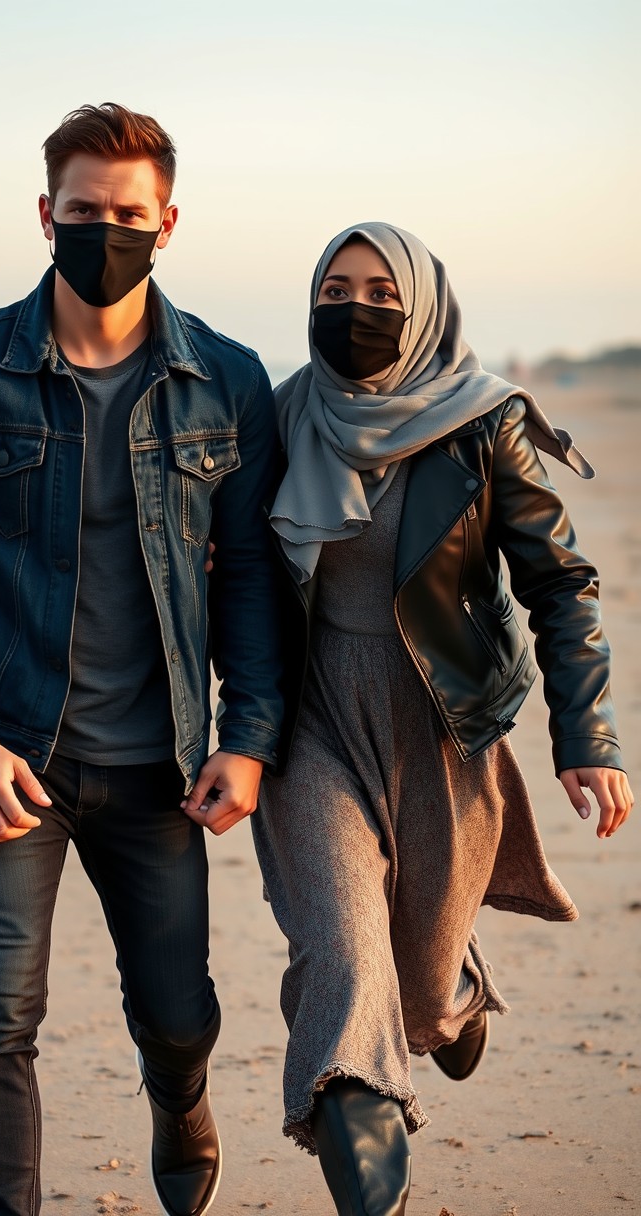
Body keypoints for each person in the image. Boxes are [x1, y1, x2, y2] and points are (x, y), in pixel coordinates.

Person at [0, 102, 284, 1216]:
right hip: (11, 759)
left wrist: (246, 740)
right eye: (85, 211)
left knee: (177, 1013)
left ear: (169, 222)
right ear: (45, 215)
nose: (107, 230)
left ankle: (179, 1096)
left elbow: (249, 576)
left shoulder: (229, 383)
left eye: (129, 215)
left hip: (160, 769)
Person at [247, 222, 634, 1216]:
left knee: (413, 996)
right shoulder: (283, 415)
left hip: (442, 721)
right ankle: (362, 1135)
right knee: (338, 945)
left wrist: (585, 736)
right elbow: (227, 569)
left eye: (381, 292)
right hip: (311, 721)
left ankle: (454, 992)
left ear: (418, 308)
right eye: (335, 286)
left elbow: (560, 583)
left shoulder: (484, 422)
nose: (355, 307)